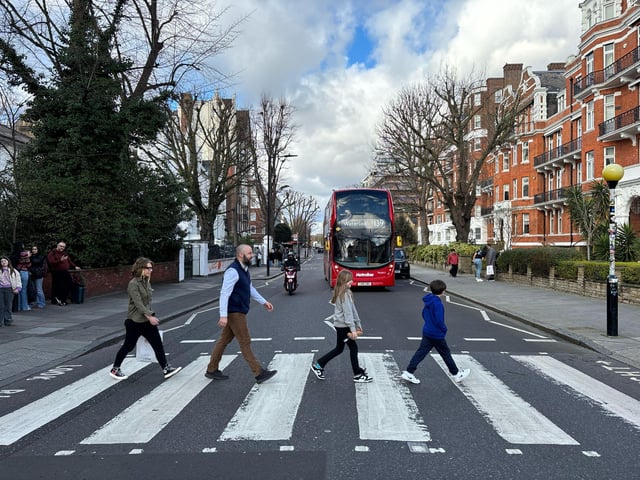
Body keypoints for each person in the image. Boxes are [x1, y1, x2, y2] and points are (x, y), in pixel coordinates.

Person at [204, 244, 277, 384]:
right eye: (249, 253)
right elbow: (224, 293)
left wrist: (263, 301)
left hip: (238, 310)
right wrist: (223, 315)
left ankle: (212, 369)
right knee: (245, 342)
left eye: (252, 253)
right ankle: (258, 372)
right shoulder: (233, 271)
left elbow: (249, 288)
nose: (252, 255)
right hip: (235, 312)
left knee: (224, 340)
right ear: (240, 255)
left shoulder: (244, 269)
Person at [109, 257, 181, 381]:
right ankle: (115, 369)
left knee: (158, 344)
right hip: (134, 321)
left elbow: (147, 302)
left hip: (146, 321)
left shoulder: (147, 281)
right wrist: (150, 316)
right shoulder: (133, 284)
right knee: (128, 346)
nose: (150, 270)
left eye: (151, 268)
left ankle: (166, 368)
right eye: (147, 268)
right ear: (140, 268)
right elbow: (138, 304)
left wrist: (149, 317)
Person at [401, 279, 470, 385]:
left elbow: (423, 314)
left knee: (421, 352)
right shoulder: (437, 303)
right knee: (445, 353)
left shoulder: (428, 300)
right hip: (436, 333)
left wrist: (428, 323)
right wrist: (443, 329)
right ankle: (456, 374)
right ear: (443, 291)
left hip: (427, 330)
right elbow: (439, 320)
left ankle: (409, 372)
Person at [311, 269, 372, 383]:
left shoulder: (347, 292)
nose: (352, 282)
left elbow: (353, 311)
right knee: (353, 348)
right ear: (344, 281)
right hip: (343, 326)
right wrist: (353, 330)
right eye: (349, 280)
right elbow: (348, 314)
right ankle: (357, 374)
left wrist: (358, 324)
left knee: (339, 349)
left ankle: (319, 365)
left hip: (342, 325)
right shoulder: (343, 294)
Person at [47, 241, 80, 305]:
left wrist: (75, 266)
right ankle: (56, 300)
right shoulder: (52, 253)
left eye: (63, 247)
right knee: (57, 286)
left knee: (69, 284)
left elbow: (69, 261)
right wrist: (60, 260)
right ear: (57, 245)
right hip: (56, 272)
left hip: (65, 271)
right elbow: (51, 262)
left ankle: (63, 299)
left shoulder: (64, 253)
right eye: (61, 246)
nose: (62, 247)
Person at [0, 256, 21, 326]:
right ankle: (0, 321)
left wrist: (18, 288)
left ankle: (8, 320)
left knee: (8, 305)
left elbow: (18, 280)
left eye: (5, 261)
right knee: (1, 306)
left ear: (8, 262)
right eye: (2, 261)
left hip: (9, 289)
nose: (3, 262)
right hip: (1, 289)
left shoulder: (13, 271)